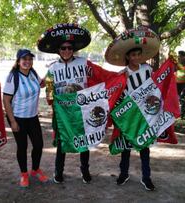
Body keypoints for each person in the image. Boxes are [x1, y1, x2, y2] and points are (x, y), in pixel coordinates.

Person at [38, 23, 120, 184]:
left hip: (82, 109)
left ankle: (85, 171)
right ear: (58, 50)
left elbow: (101, 74)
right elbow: (49, 93)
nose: (67, 50)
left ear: (73, 49)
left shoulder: (83, 63)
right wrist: (52, 102)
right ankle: (58, 172)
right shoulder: (52, 69)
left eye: (69, 48)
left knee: (84, 141)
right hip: (62, 113)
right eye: (63, 48)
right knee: (62, 143)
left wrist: (120, 75)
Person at [105, 26, 161, 191]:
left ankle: (146, 177)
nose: (136, 57)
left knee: (144, 147)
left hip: (145, 113)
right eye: (133, 55)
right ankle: (124, 173)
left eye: (138, 54)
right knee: (126, 147)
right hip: (129, 114)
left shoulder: (148, 70)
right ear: (127, 57)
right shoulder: (123, 74)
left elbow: (157, 87)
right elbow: (116, 94)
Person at [3, 49, 48, 188]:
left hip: (33, 117)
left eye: (30, 59)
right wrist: (12, 122)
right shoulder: (13, 77)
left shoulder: (33, 72)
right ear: (18, 61)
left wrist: (50, 73)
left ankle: (35, 170)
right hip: (18, 118)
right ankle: (24, 174)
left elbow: (42, 83)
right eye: (24, 59)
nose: (27, 61)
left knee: (39, 145)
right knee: (22, 147)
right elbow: (6, 100)